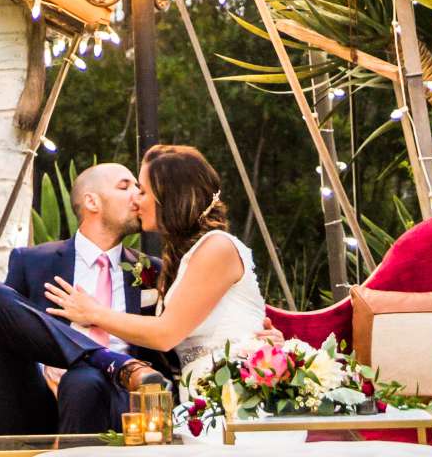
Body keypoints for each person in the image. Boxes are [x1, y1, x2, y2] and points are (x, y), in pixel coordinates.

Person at [0, 161, 162, 439]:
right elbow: (9, 338)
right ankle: (106, 359)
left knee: (83, 380)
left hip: (115, 404)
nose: (137, 194)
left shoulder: (151, 271)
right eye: (125, 186)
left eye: (138, 188)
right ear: (92, 201)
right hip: (36, 400)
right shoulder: (32, 261)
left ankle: (103, 364)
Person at [44, 144, 269, 371]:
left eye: (142, 190)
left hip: (236, 386)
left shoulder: (217, 247)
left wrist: (93, 312)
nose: (136, 200)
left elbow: (165, 334)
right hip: (198, 392)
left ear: (168, 195)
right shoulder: (178, 260)